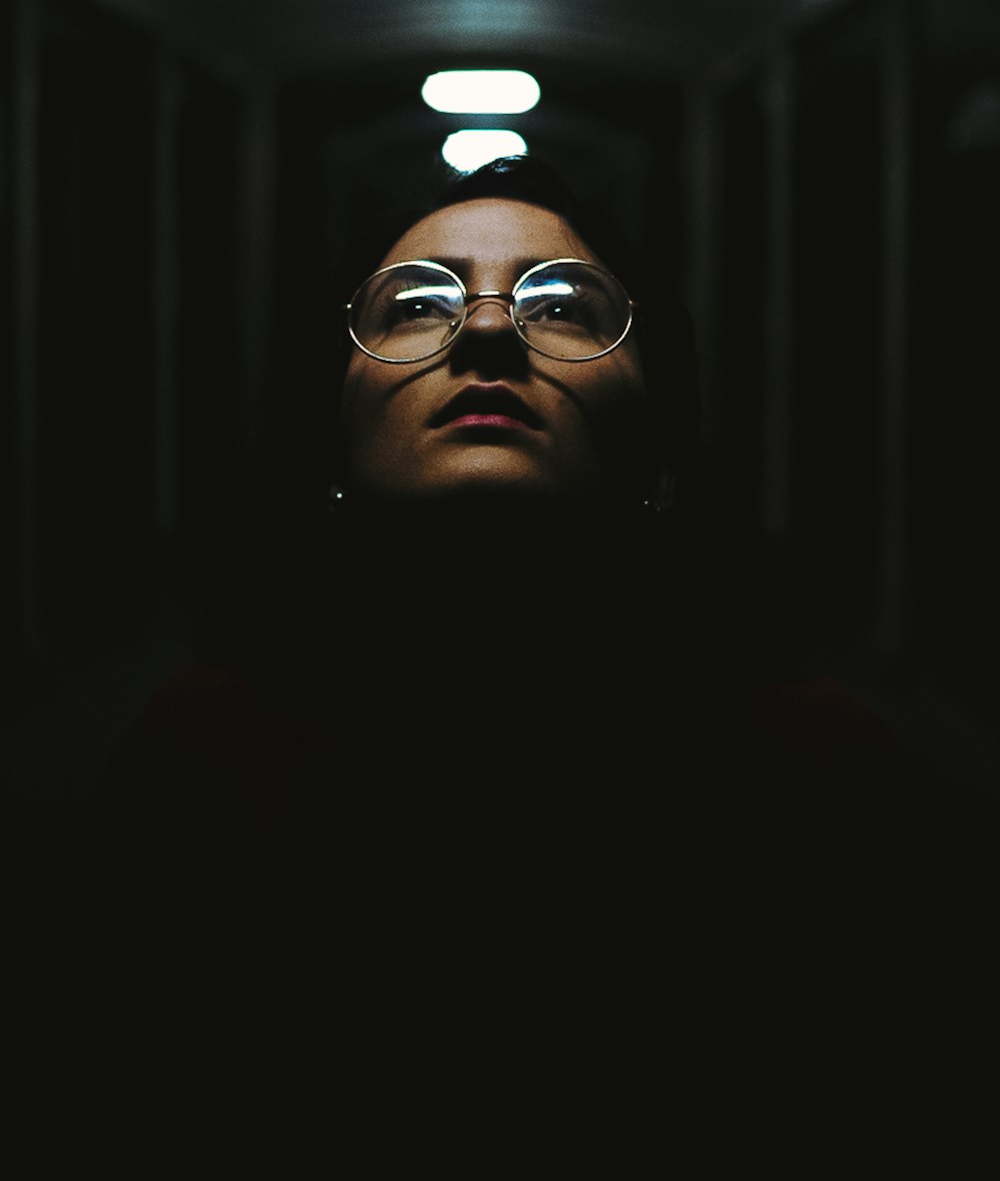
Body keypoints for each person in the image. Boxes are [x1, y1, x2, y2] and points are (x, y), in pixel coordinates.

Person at [54, 155, 992, 1089]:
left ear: (659, 458)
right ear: (329, 442)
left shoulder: (820, 769)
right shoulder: (197, 752)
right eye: (417, 303)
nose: (491, 330)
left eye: (561, 305)